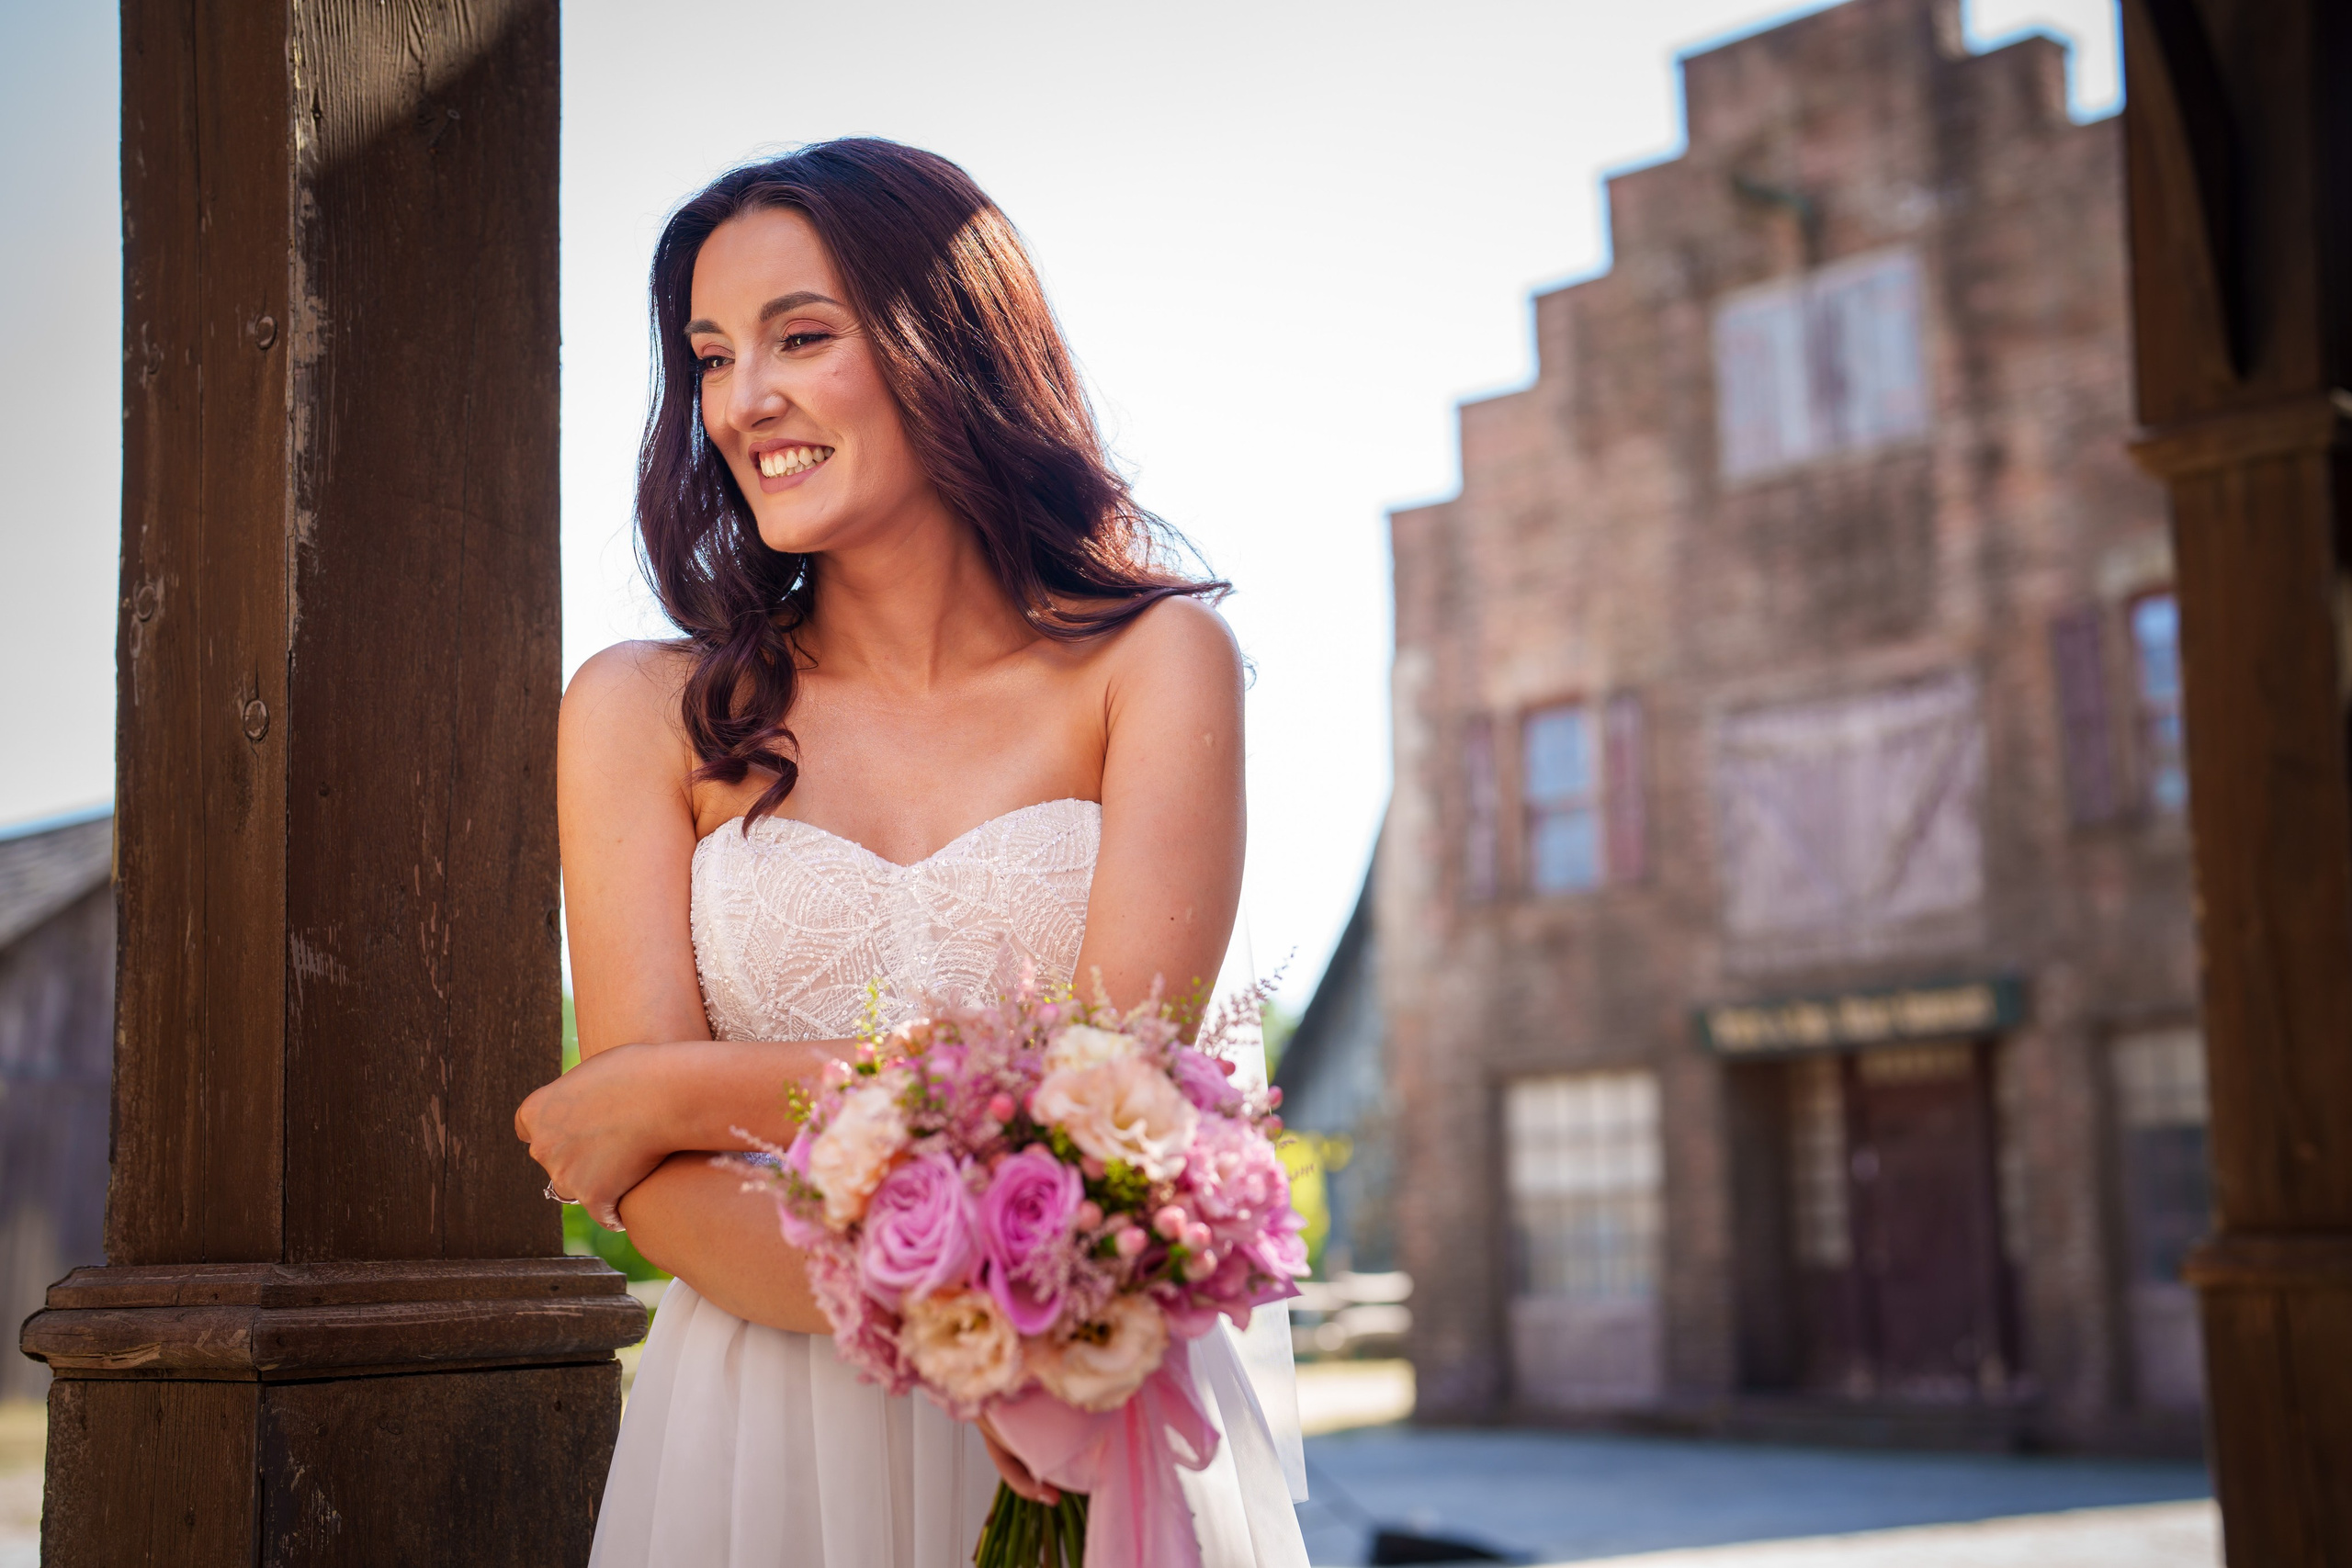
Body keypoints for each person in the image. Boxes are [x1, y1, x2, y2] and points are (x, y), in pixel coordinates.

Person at [514, 139, 1307, 1568]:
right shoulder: (640, 711)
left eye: (800, 338)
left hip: (1088, 1422)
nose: (743, 401)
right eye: (709, 357)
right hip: (758, 1442)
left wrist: (683, 1086)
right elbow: (658, 1191)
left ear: (954, 346)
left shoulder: (1156, 666)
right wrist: (971, 1324)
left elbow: (1104, 1110)